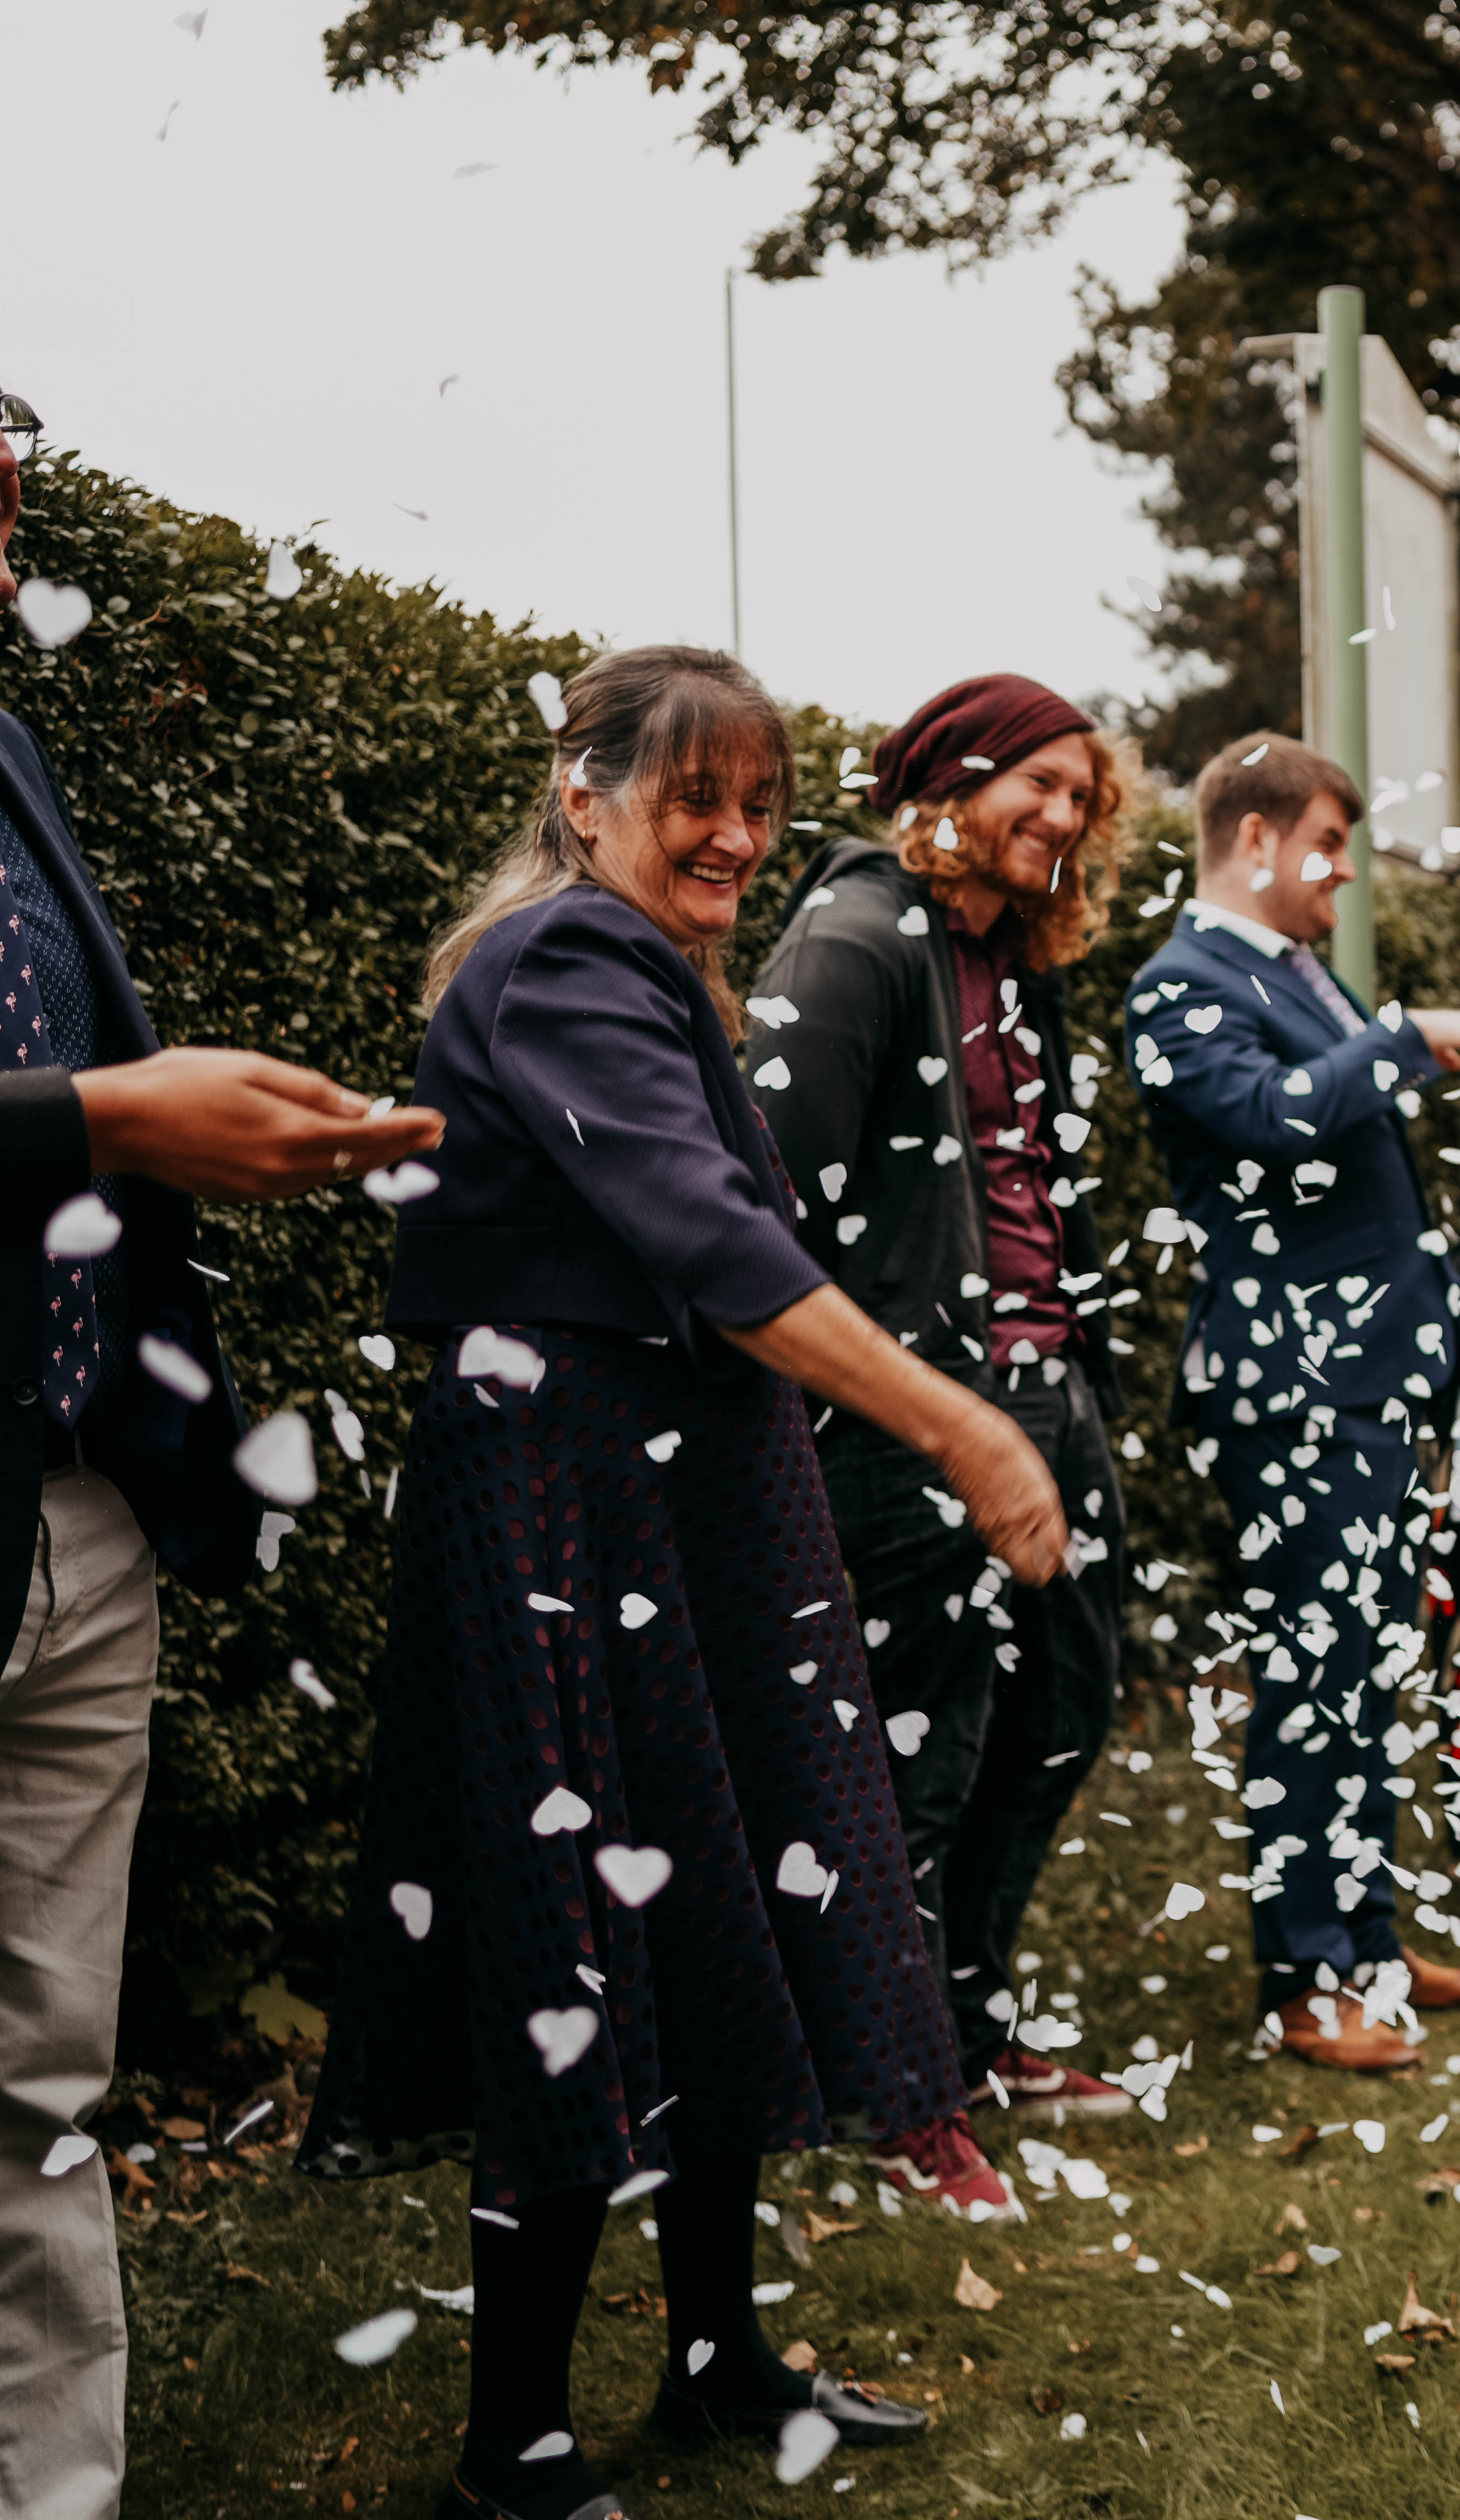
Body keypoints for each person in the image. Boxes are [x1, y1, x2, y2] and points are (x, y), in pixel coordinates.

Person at [299, 647, 1070, 2520]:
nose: (733, 834)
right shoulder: (563, 961)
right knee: (578, 1926)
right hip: (565, 1506)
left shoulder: (657, 973)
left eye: (760, 803)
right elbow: (709, 1241)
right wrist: (962, 1430)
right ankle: (518, 2444)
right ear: (582, 791)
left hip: (691, 1501)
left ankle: (719, 2358)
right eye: (691, 797)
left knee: (725, 1890)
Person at [0, 402, 445, 2520]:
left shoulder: (9, 745)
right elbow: (72, 1105)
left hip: (80, 1513)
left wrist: (244, 1121)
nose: (3, 533)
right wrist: (106, 1116)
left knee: (38, 2094)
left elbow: (94, 1080)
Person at [747, 673, 1140, 2170]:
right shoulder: (852, 946)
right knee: (923, 1744)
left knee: (1061, 1711)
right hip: (915, 1415)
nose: (1063, 817)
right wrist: (896, 1400)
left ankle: (966, 2025)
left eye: (1081, 799)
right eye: (1036, 785)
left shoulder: (1011, 963)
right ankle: (889, 2088)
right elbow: (767, 1205)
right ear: (944, 782)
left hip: (1051, 1393)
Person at [1123, 731, 1460, 2072]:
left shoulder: (1303, 975)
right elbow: (1267, 1122)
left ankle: (1374, 1944)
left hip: (1375, 1379)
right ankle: (1303, 1981)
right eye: (1330, 846)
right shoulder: (1179, 986)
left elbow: (1374, 1195)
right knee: (1309, 1681)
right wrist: (1401, 1036)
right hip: (1287, 1389)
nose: (1342, 875)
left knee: (1365, 1670)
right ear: (1256, 839)